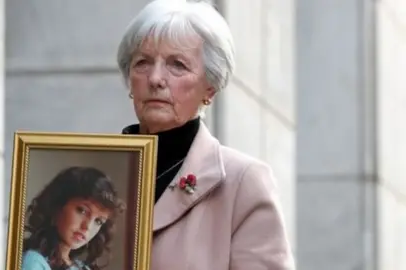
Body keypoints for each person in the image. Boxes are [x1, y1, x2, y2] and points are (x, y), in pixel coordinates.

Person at [116, 0, 295, 269]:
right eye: (143, 63)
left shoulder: (242, 183)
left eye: (177, 65)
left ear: (209, 88)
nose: (155, 78)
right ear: (130, 79)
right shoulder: (95, 171)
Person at [21, 166, 126, 270]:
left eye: (98, 221)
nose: (87, 227)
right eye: (82, 211)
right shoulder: (33, 262)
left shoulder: (82, 267)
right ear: (57, 206)